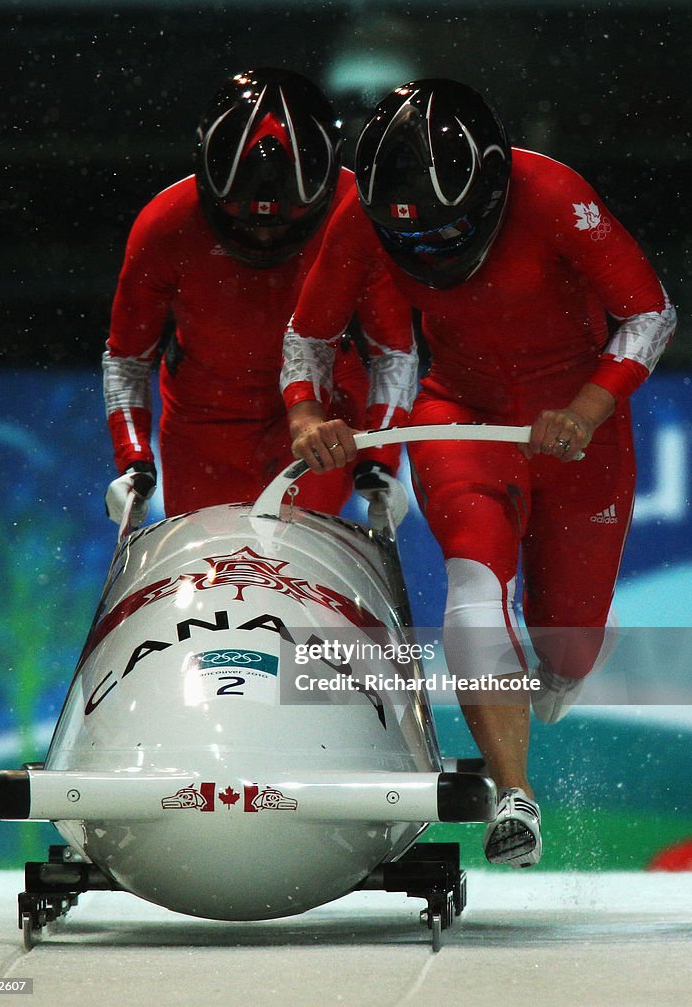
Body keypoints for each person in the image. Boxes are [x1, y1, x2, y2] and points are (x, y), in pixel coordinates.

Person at [281, 79, 676, 868]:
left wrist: (590, 411)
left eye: (451, 233)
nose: (433, 255)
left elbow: (649, 311)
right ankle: (513, 796)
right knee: (472, 581)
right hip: (458, 412)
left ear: (492, 188)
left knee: (567, 651)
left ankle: (548, 672)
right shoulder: (362, 218)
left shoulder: (554, 193)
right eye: (414, 243)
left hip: (577, 428)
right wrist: (303, 416)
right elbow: (308, 335)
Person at [103, 68, 413, 526]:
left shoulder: (358, 214)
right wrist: (133, 460)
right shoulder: (164, 227)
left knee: (295, 561)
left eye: (284, 224)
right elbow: (127, 357)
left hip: (324, 414)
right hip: (204, 422)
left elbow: (394, 351)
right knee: (208, 569)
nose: (266, 237)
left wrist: (379, 460)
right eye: (247, 224)